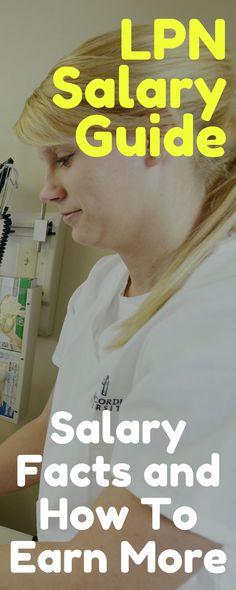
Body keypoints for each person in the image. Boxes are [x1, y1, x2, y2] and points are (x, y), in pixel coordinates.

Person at [0, 24, 236, 589]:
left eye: (65, 157)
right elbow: (56, 431)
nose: (48, 190)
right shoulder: (106, 284)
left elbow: (106, 574)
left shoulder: (219, 315)